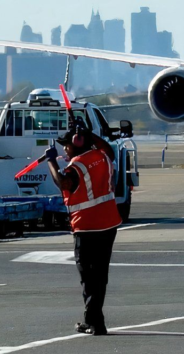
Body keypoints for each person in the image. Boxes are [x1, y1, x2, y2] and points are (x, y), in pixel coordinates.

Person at [44, 120, 122, 336]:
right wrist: (87, 133)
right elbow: (107, 147)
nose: (65, 150)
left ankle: (94, 322)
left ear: (77, 143)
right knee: (100, 276)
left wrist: (51, 162)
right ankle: (95, 321)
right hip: (109, 223)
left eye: (66, 145)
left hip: (87, 226)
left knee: (88, 277)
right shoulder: (103, 156)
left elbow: (63, 183)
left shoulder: (77, 166)